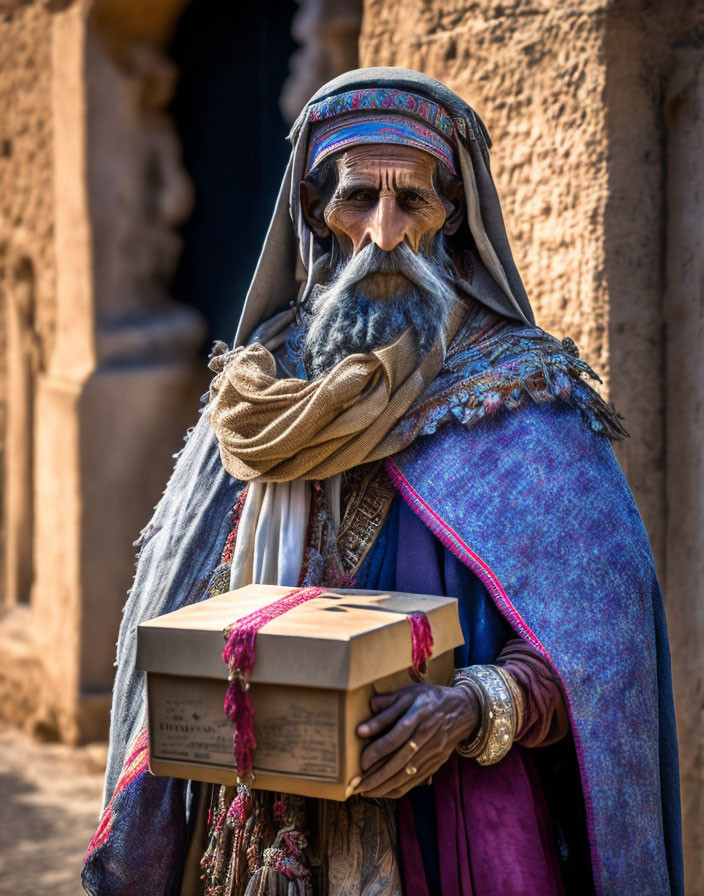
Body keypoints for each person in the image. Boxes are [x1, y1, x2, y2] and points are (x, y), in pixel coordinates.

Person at [82, 68, 683, 896]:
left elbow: (599, 648)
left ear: (455, 217)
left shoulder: (521, 401)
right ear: (318, 217)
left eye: (416, 202)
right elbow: (176, 604)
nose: (386, 233)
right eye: (360, 199)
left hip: (458, 825)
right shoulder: (261, 394)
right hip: (256, 831)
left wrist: (473, 704)